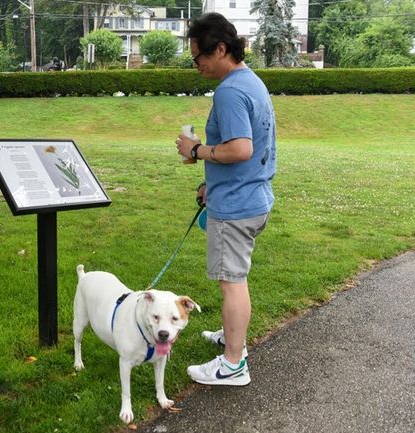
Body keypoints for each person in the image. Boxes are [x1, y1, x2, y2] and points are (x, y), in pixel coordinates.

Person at [175, 12, 276, 386]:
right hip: (252, 196)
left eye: (198, 57)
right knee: (236, 278)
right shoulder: (251, 82)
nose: (196, 64)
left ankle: (233, 364)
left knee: (231, 282)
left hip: (235, 207)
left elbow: (241, 148)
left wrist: (197, 149)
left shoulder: (230, 91)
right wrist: (209, 185)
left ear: (221, 49)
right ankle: (232, 338)